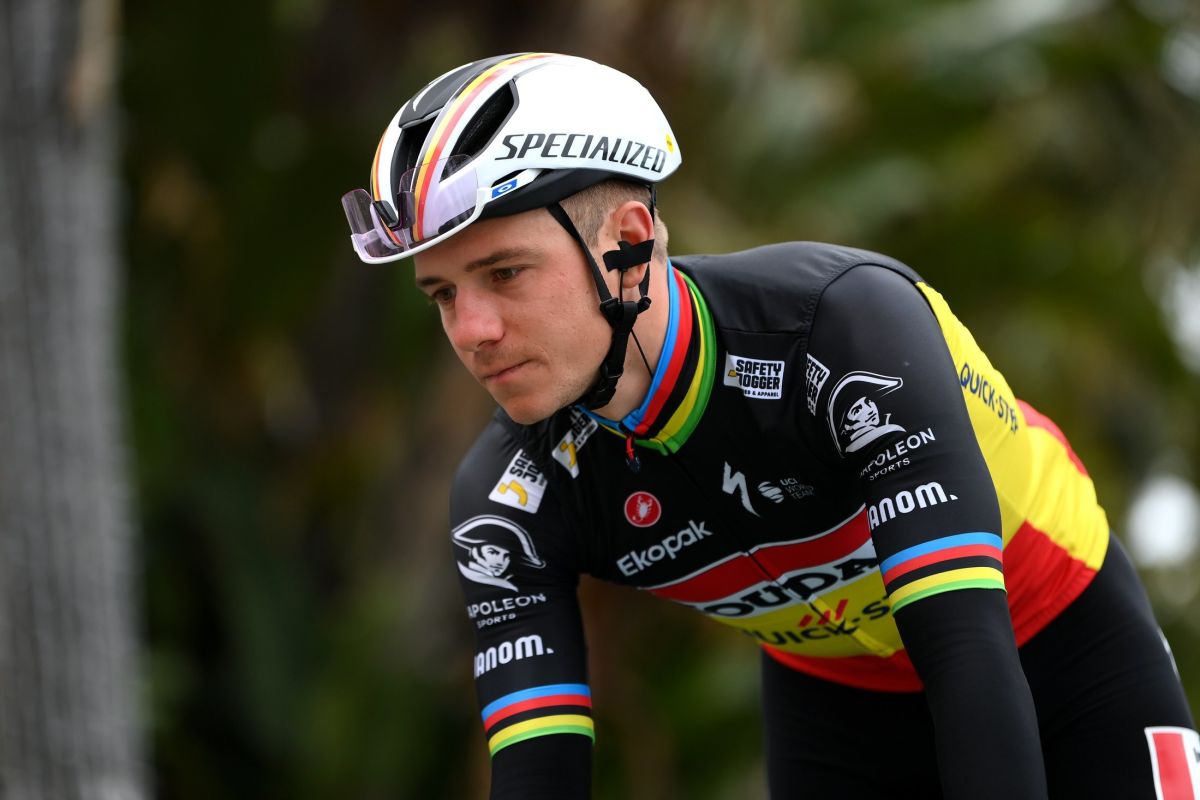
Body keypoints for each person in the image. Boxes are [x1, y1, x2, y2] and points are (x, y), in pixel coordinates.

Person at [341, 53, 1198, 799]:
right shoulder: (509, 496)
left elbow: (967, 651)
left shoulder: (843, 332)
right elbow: (540, 774)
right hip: (835, 695)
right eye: (443, 293)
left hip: (1048, 632)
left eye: (505, 273)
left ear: (627, 244)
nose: (471, 330)